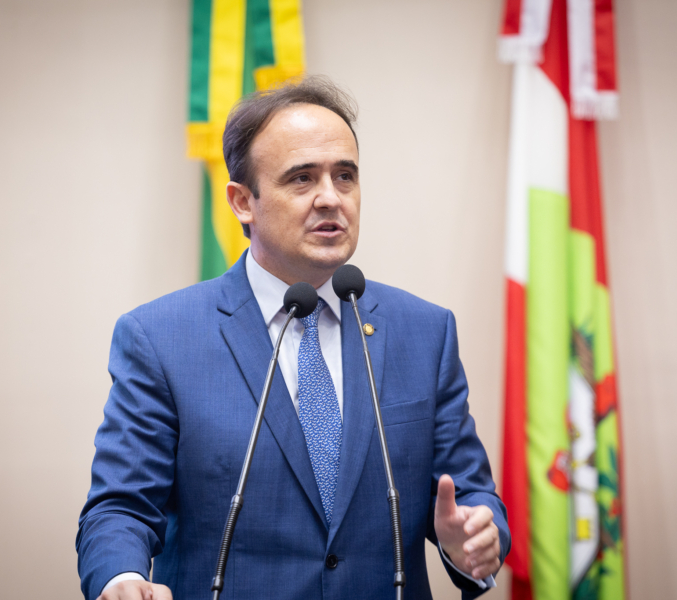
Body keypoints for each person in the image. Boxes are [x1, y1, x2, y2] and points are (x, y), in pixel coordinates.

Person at [77, 76, 510, 600]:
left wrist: (475, 540)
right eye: (302, 178)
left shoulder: (425, 331)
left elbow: (470, 493)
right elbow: (120, 507)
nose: (331, 198)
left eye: (345, 176)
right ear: (243, 202)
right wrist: (122, 578)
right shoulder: (160, 338)